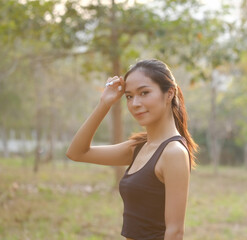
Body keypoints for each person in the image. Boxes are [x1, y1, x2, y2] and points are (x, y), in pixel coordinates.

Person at [66, 59, 198, 240]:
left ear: (169, 94)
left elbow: (175, 232)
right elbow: (77, 152)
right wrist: (105, 103)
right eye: (129, 96)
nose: (135, 103)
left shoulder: (173, 153)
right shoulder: (139, 148)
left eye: (144, 93)